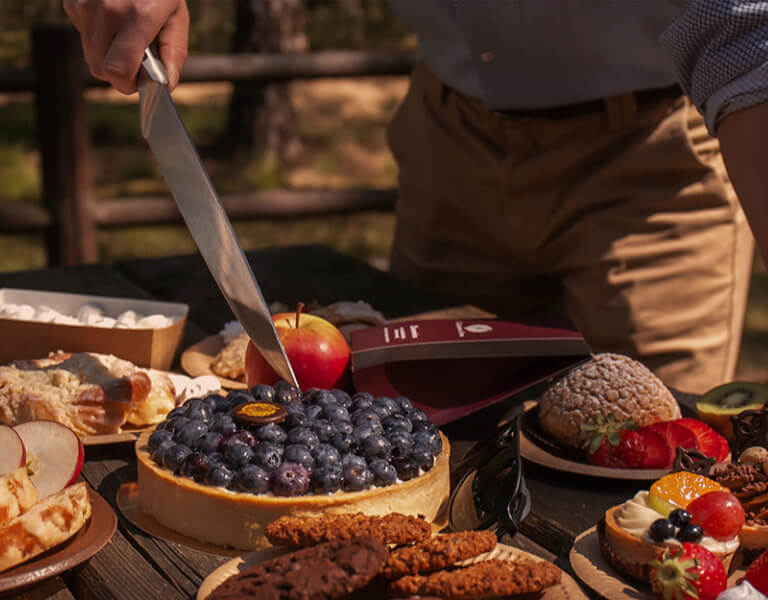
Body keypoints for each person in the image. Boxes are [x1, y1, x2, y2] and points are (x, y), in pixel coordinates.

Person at [64, 0, 768, 392]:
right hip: (450, 139)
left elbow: (749, 32)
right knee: (421, 424)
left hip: (654, 159)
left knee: (654, 457)